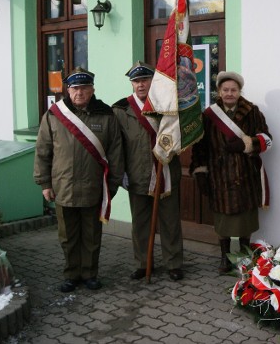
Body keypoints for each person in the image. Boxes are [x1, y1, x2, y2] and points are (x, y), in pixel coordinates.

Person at [34, 67, 124, 293]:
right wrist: (45, 183)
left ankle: (90, 274)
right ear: (68, 90)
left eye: (84, 87)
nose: (79, 92)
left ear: (92, 89)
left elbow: (116, 153)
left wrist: (111, 186)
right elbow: (43, 151)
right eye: (75, 88)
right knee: (68, 237)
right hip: (63, 188)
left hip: (94, 188)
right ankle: (71, 274)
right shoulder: (54, 115)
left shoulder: (106, 115)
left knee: (92, 236)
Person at [190, 71, 272, 273]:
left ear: (239, 91)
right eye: (225, 89)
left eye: (233, 90)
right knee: (223, 222)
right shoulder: (209, 115)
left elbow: (266, 138)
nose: (229, 93)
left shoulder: (252, 112)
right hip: (220, 176)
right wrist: (200, 172)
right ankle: (224, 259)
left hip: (246, 175)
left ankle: (245, 259)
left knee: (245, 221)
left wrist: (246, 144)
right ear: (219, 91)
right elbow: (200, 147)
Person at [112, 61, 184, 281]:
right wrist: (121, 173)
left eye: (145, 80)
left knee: (170, 221)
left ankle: (174, 263)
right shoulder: (121, 110)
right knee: (141, 224)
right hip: (137, 175)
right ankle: (143, 263)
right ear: (131, 84)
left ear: (153, 81)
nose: (141, 85)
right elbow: (116, 145)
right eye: (136, 81)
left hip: (166, 172)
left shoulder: (168, 105)